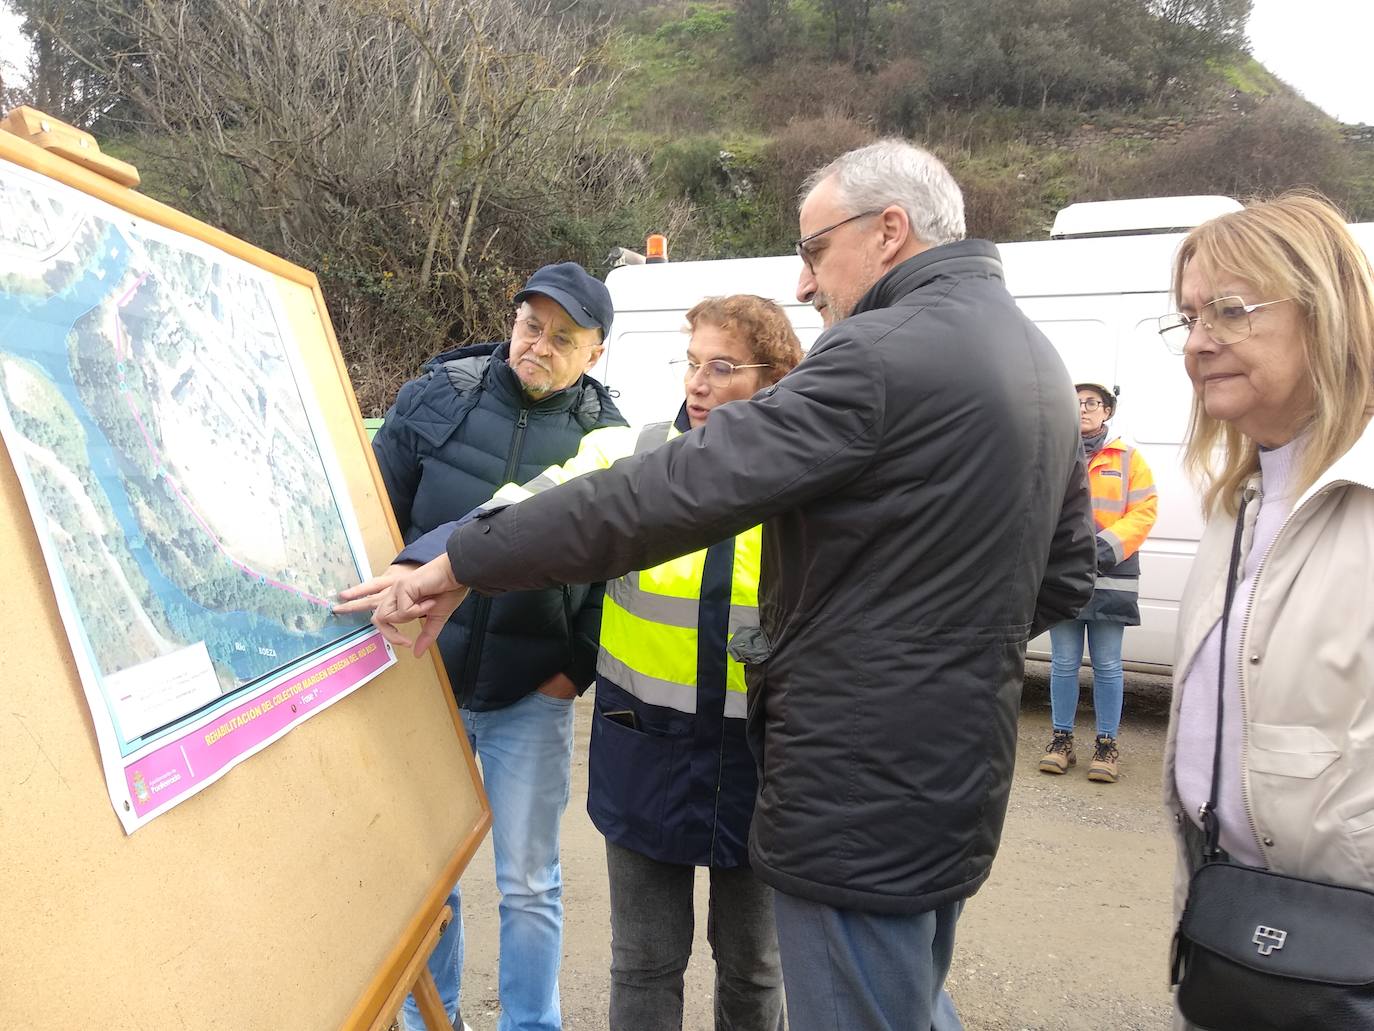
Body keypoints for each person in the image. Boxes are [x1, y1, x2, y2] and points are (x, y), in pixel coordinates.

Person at [342, 139, 1096, 1031]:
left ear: (889, 230)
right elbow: (1064, 571)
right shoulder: (1035, 359)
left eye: (816, 250)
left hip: (852, 786)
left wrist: (465, 562)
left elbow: (666, 494)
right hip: (947, 784)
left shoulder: (879, 355)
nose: (808, 282)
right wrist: (927, 655)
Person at [391, 295, 802, 1030]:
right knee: (643, 963)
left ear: (775, 377)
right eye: (692, 363)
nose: (699, 383)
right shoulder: (630, 451)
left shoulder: (805, 481)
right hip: (647, 758)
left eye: (723, 366)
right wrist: (432, 561)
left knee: (754, 970)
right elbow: (527, 506)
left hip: (761, 766)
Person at [370, 262, 627, 1031]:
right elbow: (375, 508)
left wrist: (569, 671)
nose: (538, 345)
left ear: (596, 351)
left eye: (562, 337)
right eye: (529, 326)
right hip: (423, 683)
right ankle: (434, 1016)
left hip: (528, 691)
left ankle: (529, 1024)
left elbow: (621, 577)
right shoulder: (437, 399)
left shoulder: (608, 440)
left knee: (528, 881)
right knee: (429, 871)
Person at [1154, 193, 1374, 1025]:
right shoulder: (1234, 503)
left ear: (1326, 313)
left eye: (1231, 310)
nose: (1200, 340)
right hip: (1234, 936)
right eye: (1188, 316)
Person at [1039, 382, 1158, 783]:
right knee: (1064, 663)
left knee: (1107, 665)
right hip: (1065, 575)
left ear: (1107, 411)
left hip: (1112, 575)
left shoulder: (1128, 459)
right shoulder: (1056, 453)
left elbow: (1144, 511)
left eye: (1093, 403)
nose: (1084, 409)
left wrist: (1099, 548)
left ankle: (1106, 746)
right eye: (1076, 404)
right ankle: (1061, 741)